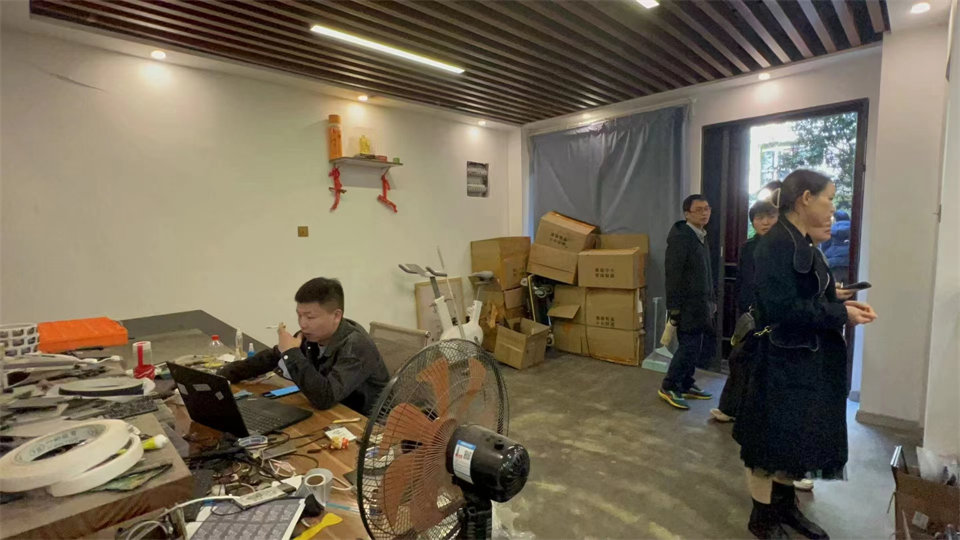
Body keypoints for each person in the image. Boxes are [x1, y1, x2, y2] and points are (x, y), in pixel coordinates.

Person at [733, 170, 877, 539]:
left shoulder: (802, 242)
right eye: (829, 198)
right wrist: (838, 314)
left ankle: (784, 508)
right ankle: (762, 518)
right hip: (780, 362)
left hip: (802, 360)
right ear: (806, 199)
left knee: (792, 438)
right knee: (769, 443)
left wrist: (835, 298)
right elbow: (781, 308)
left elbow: (802, 293)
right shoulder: (774, 245)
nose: (833, 208)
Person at [219, 277, 389, 416]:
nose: (303, 324)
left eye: (310, 317)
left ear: (336, 316)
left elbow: (325, 398)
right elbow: (271, 357)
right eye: (299, 315)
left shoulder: (356, 346)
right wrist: (223, 376)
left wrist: (291, 352)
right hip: (332, 413)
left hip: (367, 425)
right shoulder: (311, 335)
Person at [710, 198, 779, 423]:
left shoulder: (786, 247)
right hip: (751, 313)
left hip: (777, 315)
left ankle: (760, 414)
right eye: (759, 218)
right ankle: (731, 408)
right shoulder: (748, 247)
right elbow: (743, 281)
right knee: (739, 359)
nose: (765, 222)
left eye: (770, 217)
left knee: (768, 365)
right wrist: (744, 308)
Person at [658, 194, 717, 410]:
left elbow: (705, 272)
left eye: (707, 208)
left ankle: (685, 383)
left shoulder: (700, 235)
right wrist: (674, 307)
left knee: (695, 347)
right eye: (699, 209)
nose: (704, 213)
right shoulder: (681, 238)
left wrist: (711, 299)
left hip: (701, 304)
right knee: (688, 347)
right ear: (687, 214)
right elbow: (673, 274)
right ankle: (669, 385)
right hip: (686, 306)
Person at [822, 210, 851, 283]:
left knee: (835, 287)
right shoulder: (855, 229)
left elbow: (824, 247)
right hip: (850, 265)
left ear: (835, 219)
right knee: (850, 287)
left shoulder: (831, 229)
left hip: (834, 264)